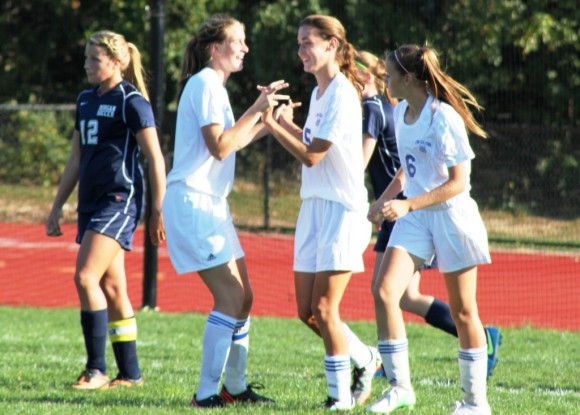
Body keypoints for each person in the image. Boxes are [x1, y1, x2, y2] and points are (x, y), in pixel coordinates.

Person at [161, 14, 287, 409]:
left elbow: (230, 143)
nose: (245, 47)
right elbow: (218, 146)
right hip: (194, 203)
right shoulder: (204, 85)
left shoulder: (213, 86)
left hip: (211, 204)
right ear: (215, 49)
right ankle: (205, 395)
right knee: (230, 297)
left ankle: (235, 386)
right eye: (238, 40)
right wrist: (255, 108)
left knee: (244, 297)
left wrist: (269, 121)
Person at [355, 50, 501, 381]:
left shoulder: (443, 118)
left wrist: (407, 205)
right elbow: (407, 172)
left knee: (464, 312)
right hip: (418, 217)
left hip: (451, 215)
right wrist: (384, 200)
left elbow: (458, 183)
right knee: (385, 292)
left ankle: (475, 401)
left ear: (408, 79)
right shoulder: (402, 110)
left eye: (389, 75)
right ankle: (399, 389)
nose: (385, 80)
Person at [261, 14, 379, 411]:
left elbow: (313, 156)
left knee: (325, 309)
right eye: (299, 44)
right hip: (313, 208)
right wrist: (288, 125)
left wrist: (273, 126)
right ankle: (365, 358)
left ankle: (339, 399)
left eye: (307, 43)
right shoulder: (317, 93)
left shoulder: (344, 92)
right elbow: (312, 143)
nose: (301, 52)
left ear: (332, 45)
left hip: (342, 211)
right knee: (306, 312)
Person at [45, 30, 166, 390]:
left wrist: (157, 209)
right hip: (91, 204)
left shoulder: (132, 101)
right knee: (112, 288)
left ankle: (96, 370)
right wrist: (57, 206)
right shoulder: (84, 100)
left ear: (117, 62)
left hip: (119, 201)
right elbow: (75, 158)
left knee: (85, 277)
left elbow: (156, 159)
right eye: (86, 59)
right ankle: (130, 374)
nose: (87, 65)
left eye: (94, 59)